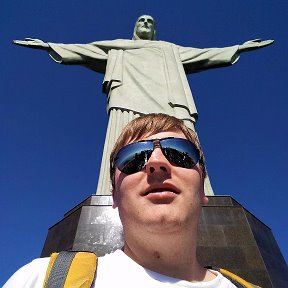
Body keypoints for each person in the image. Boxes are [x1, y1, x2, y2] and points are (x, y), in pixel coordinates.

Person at [13, 15, 274, 196]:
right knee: (124, 143)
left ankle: (201, 193)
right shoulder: (119, 47)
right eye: (142, 20)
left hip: (171, 101)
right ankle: (111, 191)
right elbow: (84, 51)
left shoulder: (169, 49)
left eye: (150, 21)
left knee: (182, 142)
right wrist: (49, 46)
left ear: (155, 29)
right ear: (134, 28)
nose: (146, 23)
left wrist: (237, 48)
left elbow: (204, 55)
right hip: (128, 98)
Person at [4, 113, 261, 287]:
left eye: (179, 153)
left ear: (203, 185)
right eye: (134, 157)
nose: (157, 163)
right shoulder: (40, 280)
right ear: (114, 193)